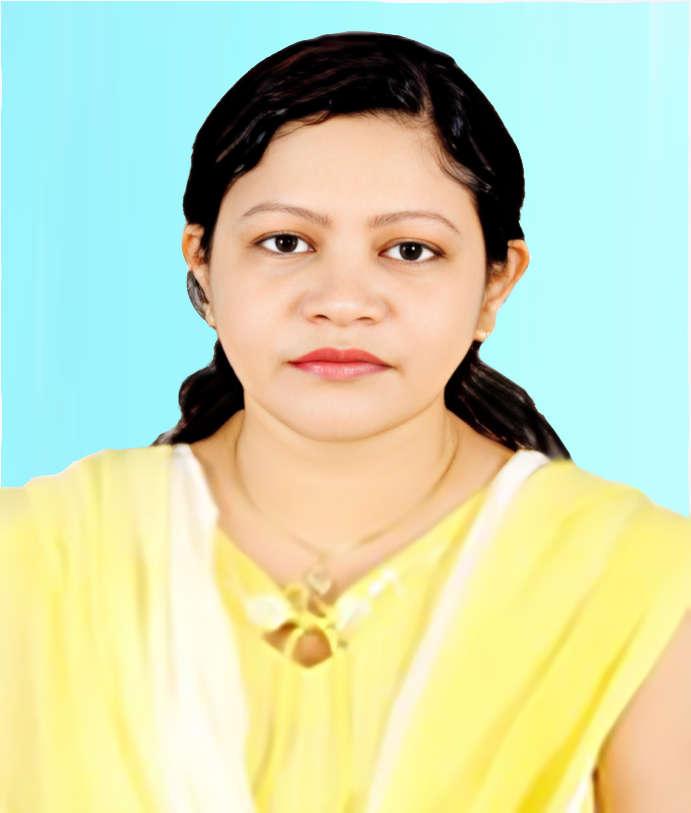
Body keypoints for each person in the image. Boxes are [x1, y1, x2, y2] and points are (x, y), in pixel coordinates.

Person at [1, 31, 689, 813]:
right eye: (285, 241)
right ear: (202, 264)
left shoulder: (643, 585)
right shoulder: (33, 560)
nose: (342, 301)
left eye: (410, 250)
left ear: (495, 283)